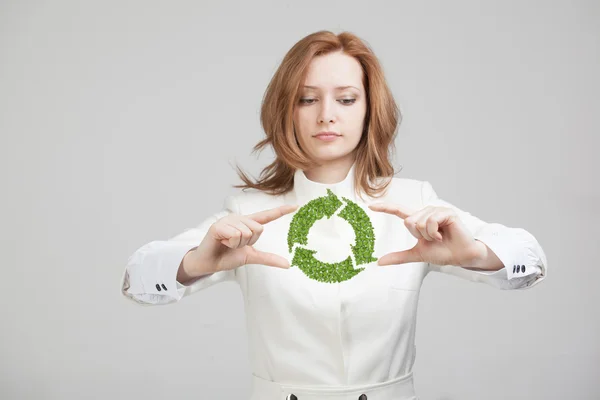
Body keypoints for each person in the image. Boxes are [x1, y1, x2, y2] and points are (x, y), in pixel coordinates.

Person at [120, 30, 547, 400]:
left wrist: (473, 254)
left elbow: (529, 260)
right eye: (308, 99)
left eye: (345, 99)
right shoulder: (248, 216)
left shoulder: (414, 203)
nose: (327, 114)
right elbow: (137, 280)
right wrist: (194, 262)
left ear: (368, 108)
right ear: (286, 109)